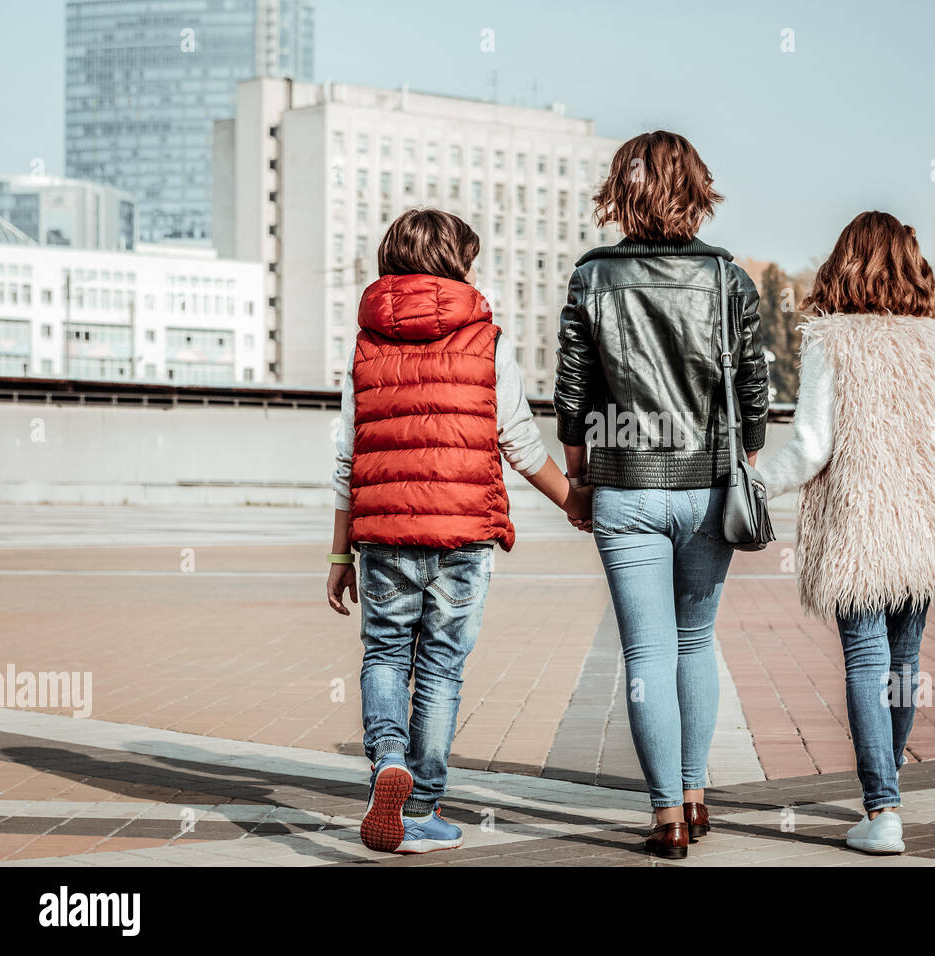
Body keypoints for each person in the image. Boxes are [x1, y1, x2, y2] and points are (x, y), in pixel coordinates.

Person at [326, 208, 589, 854]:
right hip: (464, 537)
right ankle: (420, 809)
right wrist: (574, 502)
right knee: (442, 669)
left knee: (385, 653)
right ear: (455, 265)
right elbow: (521, 443)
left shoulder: (367, 344)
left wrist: (338, 552)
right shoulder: (487, 341)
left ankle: (388, 757)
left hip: (383, 535)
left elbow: (346, 456)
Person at [554, 131, 770, 859]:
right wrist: (740, 453)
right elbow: (754, 393)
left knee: (645, 654)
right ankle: (697, 791)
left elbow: (574, 391)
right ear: (697, 190)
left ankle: (666, 817)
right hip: (709, 484)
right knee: (695, 643)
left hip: (624, 485)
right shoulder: (729, 279)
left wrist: (579, 477)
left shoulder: (592, 278)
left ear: (623, 191)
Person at [758, 210, 935, 855]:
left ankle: (881, 807)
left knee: (866, 661)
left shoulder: (830, 340)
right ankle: (886, 798)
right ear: (911, 266)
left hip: (858, 530)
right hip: (923, 529)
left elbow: (810, 448)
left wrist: (752, 487)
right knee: (905, 664)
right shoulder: (934, 341)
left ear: (846, 263)